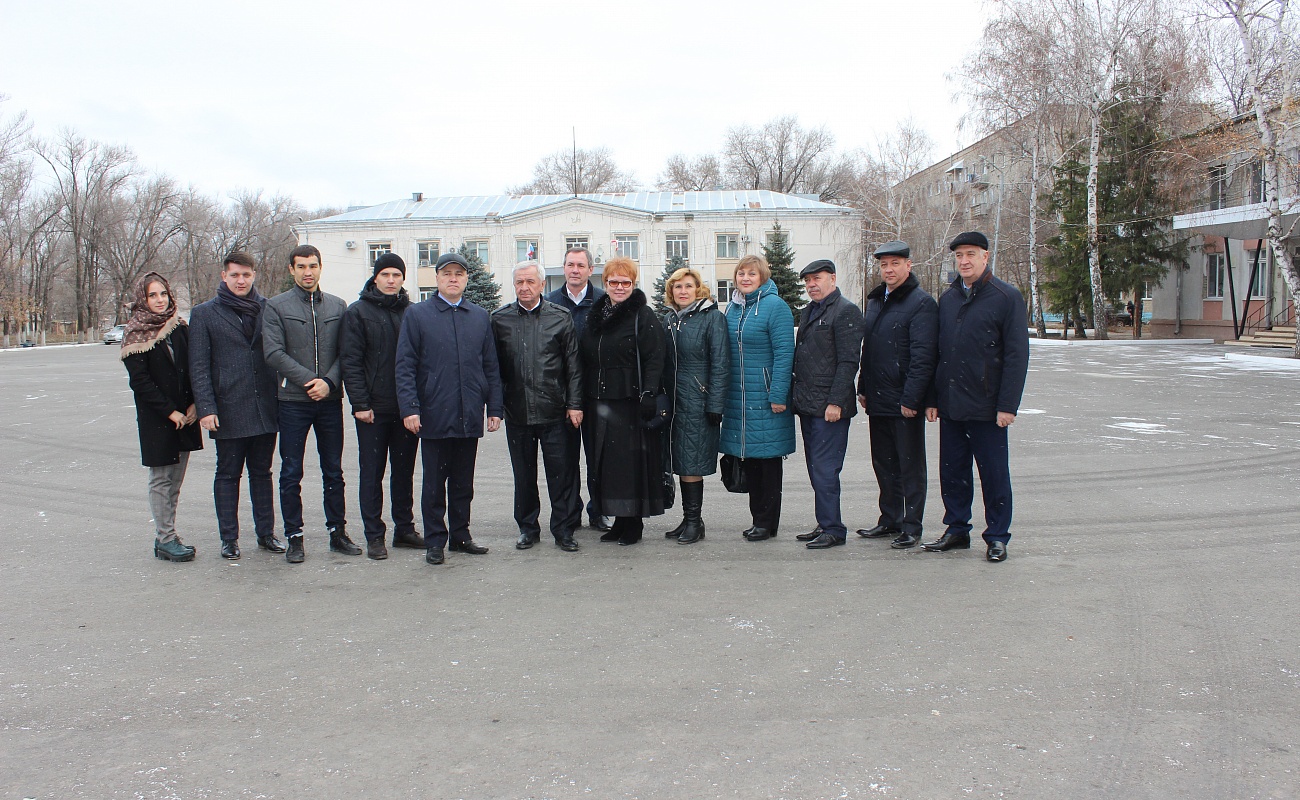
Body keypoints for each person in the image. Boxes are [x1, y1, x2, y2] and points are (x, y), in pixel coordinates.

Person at [923, 231, 1030, 563]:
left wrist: (1007, 406)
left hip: (988, 407)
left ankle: (997, 536)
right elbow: (938, 352)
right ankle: (957, 529)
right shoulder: (949, 298)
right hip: (952, 404)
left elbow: (1016, 355)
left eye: (971, 254)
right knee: (952, 471)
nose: (964, 261)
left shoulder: (1006, 297)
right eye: (959, 256)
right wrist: (933, 397)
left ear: (985, 256)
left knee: (994, 474)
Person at [395, 252, 504, 566]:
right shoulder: (418, 315)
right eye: (447, 273)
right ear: (437, 279)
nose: (453, 278)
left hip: (468, 412)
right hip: (433, 413)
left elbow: (490, 366)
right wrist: (410, 408)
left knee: (463, 482)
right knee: (433, 484)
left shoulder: (479, 316)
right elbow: (405, 366)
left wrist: (494, 407)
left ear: (466, 278)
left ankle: (461, 535)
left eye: (459, 273)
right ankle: (435, 541)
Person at [263, 244, 357, 564]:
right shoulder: (276, 307)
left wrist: (328, 382)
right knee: (291, 472)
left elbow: (347, 352)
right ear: (291, 269)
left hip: (329, 401)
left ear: (320, 267)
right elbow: (274, 353)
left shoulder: (337, 306)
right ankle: (294, 537)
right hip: (293, 401)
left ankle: (338, 533)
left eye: (313, 266)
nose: (308, 272)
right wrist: (309, 381)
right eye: (301, 266)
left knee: (333, 470)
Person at [190, 251, 283, 560]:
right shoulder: (205, 313)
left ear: (254, 275)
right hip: (228, 408)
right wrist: (206, 407)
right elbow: (199, 366)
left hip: (265, 406)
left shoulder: (268, 308)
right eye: (235, 275)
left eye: (246, 274)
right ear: (224, 276)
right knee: (228, 474)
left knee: (262, 472)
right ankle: (229, 538)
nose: (241, 280)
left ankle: (266, 533)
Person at [492, 261, 584, 553]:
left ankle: (564, 529)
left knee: (562, 474)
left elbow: (573, 365)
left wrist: (575, 404)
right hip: (517, 412)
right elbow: (493, 368)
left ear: (542, 285)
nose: (524, 287)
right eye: (519, 282)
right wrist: (497, 405)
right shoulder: (500, 319)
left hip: (555, 411)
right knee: (524, 475)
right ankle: (528, 528)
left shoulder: (560, 317)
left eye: (530, 282)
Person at [339, 252, 423, 560]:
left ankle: (405, 529)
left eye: (396, 275)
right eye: (385, 274)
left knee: (404, 472)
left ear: (403, 279)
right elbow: (351, 360)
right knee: (372, 472)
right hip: (372, 410)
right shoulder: (358, 312)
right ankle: (375, 534)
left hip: (406, 410)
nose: (391, 280)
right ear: (375, 277)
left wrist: (415, 404)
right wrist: (360, 402)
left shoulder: (412, 313)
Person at [578, 256, 667, 546]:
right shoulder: (597, 313)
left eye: (625, 282)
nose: (619, 287)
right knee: (604, 464)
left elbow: (655, 358)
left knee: (628, 466)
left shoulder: (643, 315)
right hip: (597, 399)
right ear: (605, 283)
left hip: (629, 400)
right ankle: (616, 520)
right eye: (613, 282)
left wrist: (649, 393)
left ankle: (633, 523)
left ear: (633, 283)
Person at [855, 241, 938, 550]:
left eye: (894, 263)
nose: (888, 270)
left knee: (910, 466)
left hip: (904, 401)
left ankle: (912, 525)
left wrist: (912, 399)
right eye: (883, 265)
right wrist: (863, 386)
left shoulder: (921, 303)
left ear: (908, 265)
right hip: (877, 398)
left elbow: (923, 357)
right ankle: (889, 518)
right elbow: (870, 349)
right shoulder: (876, 301)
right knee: (884, 463)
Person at [120, 272, 203, 562]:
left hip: (187, 416)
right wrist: (170, 411)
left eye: (163, 294)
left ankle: (168, 535)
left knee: (176, 480)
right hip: (158, 418)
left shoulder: (179, 327)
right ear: (143, 299)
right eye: (152, 295)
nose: (159, 300)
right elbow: (140, 382)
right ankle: (165, 538)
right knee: (161, 479)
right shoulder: (135, 332)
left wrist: (195, 405)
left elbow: (194, 367)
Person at [720, 254, 796, 541]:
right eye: (741, 274)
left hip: (765, 397)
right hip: (739, 399)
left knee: (767, 463)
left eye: (752, 274)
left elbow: (784, 353)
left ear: (763, 277)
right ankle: (758, 520)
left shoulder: (775, 307)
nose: (746, 278)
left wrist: (777, 394)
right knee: (750, 461)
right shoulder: (734, 308)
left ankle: (766, 522)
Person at [790, 259, 864, 550]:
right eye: (808, 281)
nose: (811, 285)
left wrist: (835, 402)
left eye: (817, 279)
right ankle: (825, 522)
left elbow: (848, 362)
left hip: (829, 409)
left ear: (832, 279)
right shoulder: (812, 310)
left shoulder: (845, 311)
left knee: (825, 469)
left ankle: (834, 529)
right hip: (809, 405)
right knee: (815, 468)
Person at [660, 266, 729, 545]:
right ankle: (690, 519)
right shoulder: (669, 319)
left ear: (698, 289)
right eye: (678, 287)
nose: (683, 291)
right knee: (679, 459)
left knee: (691, 462)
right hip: (674, 400)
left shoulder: (712, 318)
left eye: (688, 286)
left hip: (698, 400)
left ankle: (693, 522)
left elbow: (721, 363)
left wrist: (715, 403)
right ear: (672, 292)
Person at [546, 246, 610, 532]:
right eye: (570, 264)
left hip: (597, 393)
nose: (575, 270)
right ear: (564, 268)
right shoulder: (549, 303)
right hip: (561, 396)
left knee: (598, 458)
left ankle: (599, 512)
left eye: (580, 265)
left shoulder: (605, 301)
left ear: (590, 270)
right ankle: (570, 514)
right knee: (566, 460)